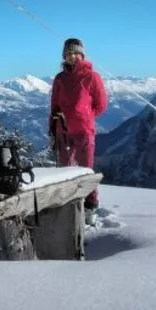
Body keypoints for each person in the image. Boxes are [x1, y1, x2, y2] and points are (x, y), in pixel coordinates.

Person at [49, 37, 108, 218]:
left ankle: (91, 204)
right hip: (63, 130)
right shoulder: (60, 78)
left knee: (86, 168)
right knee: (64, 170)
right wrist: (53, 127)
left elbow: (102, 104)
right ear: (64, 56)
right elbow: (54, 105)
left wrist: (86, 115)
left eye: (76, 53)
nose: (72, 56)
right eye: (68, 53)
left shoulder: (91, 77)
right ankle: (66, 203)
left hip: (83, 130)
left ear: (82, 55)